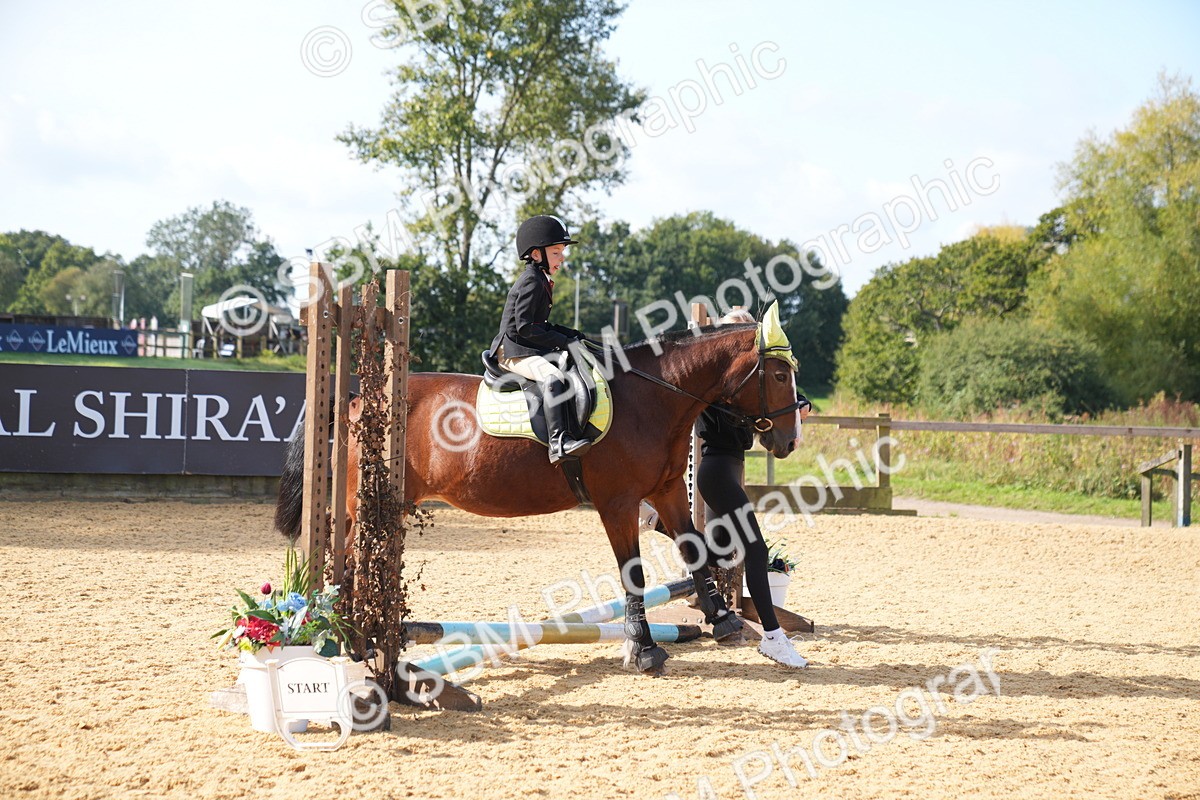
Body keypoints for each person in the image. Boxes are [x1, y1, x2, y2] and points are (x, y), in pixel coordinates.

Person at [695, 309, 811, 668]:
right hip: (715, 470)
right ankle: (774, 639)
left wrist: (797, 404)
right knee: (756, 551)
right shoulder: (715, 383)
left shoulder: (741, 382)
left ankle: (661, 525)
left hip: (729, 470)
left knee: (720, 554)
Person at [490, 214, 593, 464]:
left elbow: (540, 325)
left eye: (562, 252)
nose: (562, 258)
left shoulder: (541, 280)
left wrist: (571, 335)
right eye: (556, 252)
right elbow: (525, 328)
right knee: (552, 376)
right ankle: (558, 442)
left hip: (525, 347)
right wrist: (562, 341)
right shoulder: (531, 282)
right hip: (512, 351)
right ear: (537, 254)